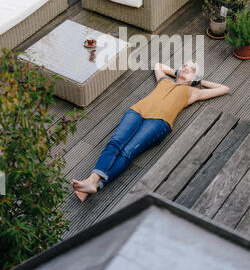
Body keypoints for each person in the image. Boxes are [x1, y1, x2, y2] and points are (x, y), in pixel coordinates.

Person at [71, 61, 230, 202]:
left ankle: (94, 182)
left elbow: (224, 88)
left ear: (195, 76)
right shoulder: (164, 80)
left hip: (159, 122)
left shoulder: (194, 93)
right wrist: (176, 73)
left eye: (191, 68)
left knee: (127, 152)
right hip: (137, 111)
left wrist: (198, 81)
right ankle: (91, 183)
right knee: (115, 143)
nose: (186, 68)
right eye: (184, 66)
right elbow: (158, 66)